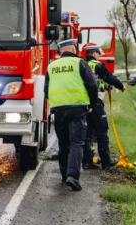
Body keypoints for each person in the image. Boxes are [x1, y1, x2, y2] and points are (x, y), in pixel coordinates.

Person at [44, 39, 99, 191]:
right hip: (78, 109)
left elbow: (46, 90)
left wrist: (55, 103)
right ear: (74, 49)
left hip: (59, 110)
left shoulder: (51, 66)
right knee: (77, 143)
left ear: (60, 51)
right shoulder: (80, 63)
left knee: (63, 143)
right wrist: (92, 104)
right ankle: (73, 176)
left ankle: (64, 176)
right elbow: (92, 85)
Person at [80, 42, 125, 170]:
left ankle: (87, 161)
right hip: (96, 104)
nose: (99, 56)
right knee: (102, 132)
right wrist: (121, 86)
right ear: (93, 53)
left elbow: (93, 81)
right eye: (98, 53)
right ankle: (106, 162)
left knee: (87, 133)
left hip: (83, 104)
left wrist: (103, 85)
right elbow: (109, 77)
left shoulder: (81, 64)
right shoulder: (97, 65)